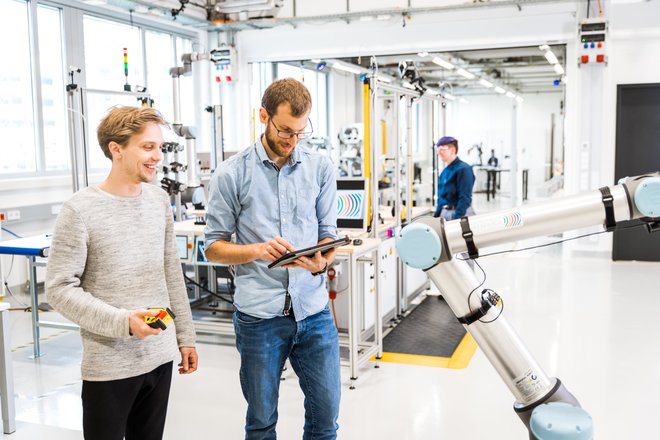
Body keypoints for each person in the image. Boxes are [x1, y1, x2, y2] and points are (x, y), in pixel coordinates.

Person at [45, 106, 198, 440]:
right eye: (147, 147)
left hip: (159, 357)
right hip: (110, 365)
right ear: (116, 149)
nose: (157, 156)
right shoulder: (80, 209)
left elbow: (172, 273)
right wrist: (123, 321)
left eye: (160, 147)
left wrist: (185, 337)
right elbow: (59, 289)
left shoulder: (159, 201)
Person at [204, 78, 340, 440]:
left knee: (326, 421)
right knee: (262, 422)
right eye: (284, 130)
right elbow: (213, 247)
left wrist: (321, 261)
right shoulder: (231, 174)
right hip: (260, 317)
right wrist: (257, 250)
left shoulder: (320, 167)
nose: (292, 140)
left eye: (300, 132)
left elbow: (328, 231)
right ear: (263, 116)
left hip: (313, 311)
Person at [434, 136, 476, 220]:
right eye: (438, 150)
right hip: (445, 213)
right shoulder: (445, 172)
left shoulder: (464, 169)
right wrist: (435, 217)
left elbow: (465, 198)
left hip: (460, 214)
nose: (438, 153)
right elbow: (441, 198)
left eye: (442, 149)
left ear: (452, 150)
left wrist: (456, 220)